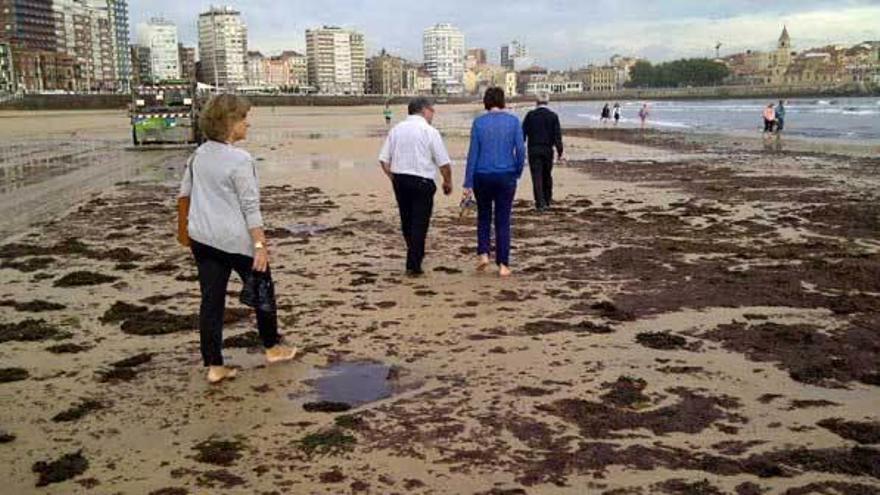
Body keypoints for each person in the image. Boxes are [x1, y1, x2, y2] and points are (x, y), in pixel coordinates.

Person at [179, 94, 297, 384]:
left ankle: (214, 365)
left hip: (203, 239)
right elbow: (250, 205)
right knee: (263, 291)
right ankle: (272, 347)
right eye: (244, 118)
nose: (248, 123)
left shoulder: (198, 155)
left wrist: (189, 231)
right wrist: (260, 245)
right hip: (235, 240)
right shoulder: (240, 160)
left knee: (211, 301)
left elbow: (184, 194)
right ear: (230, 123)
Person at [378, 97, 453, 276]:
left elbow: (383, 160)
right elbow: (443, 162)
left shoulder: (396, 130)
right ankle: (414, 263)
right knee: (419, 223)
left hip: (401, 179)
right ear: (424, 110)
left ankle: (414, 256)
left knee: (407, 222)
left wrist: (393, 177)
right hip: (422, 180)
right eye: (432, 110)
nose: (433, 114)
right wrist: (447, 181)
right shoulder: (429, 131)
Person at [463, 87, 525, 278]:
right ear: (503, 101)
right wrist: (517, 171)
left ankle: (483, 253)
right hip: (506, 174)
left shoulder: (479, 123)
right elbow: (521, 151)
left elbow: (473, 154)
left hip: (482, 175)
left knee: (483, 216)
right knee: (503, 219)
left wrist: (468, 183)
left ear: (486, 102)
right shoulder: (513, 121)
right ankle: (503, 265)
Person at [522, 91, 563, 212]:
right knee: (547, 175)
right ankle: (547, 199)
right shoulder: (553, 116)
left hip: (533, 149)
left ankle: (540, 203)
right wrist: (560, 151)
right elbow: (557, 136)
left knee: (536, 176)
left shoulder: (530, 115)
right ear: (547, 102)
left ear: (536, 102)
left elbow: (523, 133)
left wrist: (521, 147)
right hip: (547, 149)